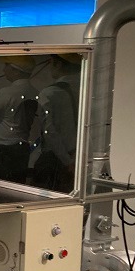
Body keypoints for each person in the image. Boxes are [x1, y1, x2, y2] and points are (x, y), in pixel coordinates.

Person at [0, 55, 38, 183]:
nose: (4, 70)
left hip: (5, 150)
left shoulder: (6, 92)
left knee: (0, 186)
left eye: (7, 65)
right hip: (22, 149)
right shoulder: (34, 92)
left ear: (16, 70)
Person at [32, 54, 80, 192]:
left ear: (58, 64)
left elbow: (49, 132)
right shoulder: (84, 90)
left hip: (55, 161)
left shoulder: (49, 93)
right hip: (78, 156)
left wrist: (67, 162)